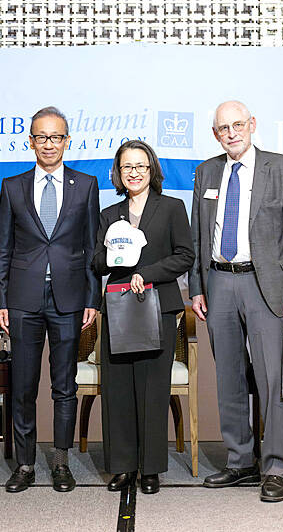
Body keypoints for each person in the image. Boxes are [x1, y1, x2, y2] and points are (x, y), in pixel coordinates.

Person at [189, 100, 283, 503]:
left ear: (252, 124)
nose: (232, 133)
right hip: (219, 281)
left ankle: (275, 466)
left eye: (238, 125)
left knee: (272, 380)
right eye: (223, 128)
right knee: (229, 377)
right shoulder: (206, 172)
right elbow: (197, 235)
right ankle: (240, 461)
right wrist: (197, 287)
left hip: (266, 285)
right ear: (215, 134)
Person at [0, 106, 101, 493]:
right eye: (42, 137)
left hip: (69, 300)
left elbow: (92, 248)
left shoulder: (86, 185)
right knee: (23, 386)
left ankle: (60, 462)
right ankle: (24, 465)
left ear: (67, 141)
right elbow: (3, 248)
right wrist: (1, 300)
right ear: (31, 142)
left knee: (64, 386)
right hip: (22, 300)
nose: (49, 144)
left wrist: (93, 298)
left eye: (56, 137)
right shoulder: (13, 186)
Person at [92, 140, 194, 495]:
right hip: (119, 308)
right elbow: (96, 262)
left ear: (152, 170)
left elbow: (185, 256)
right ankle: (122, 467)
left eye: (140, 166)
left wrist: (146, 273)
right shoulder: (109, 214)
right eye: (127, 167)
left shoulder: (172, 208)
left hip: (158, 306)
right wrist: (114, 254)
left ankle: (150, 469)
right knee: (117, 389)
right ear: (118, 173)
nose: (133, 173)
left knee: (153, 390)